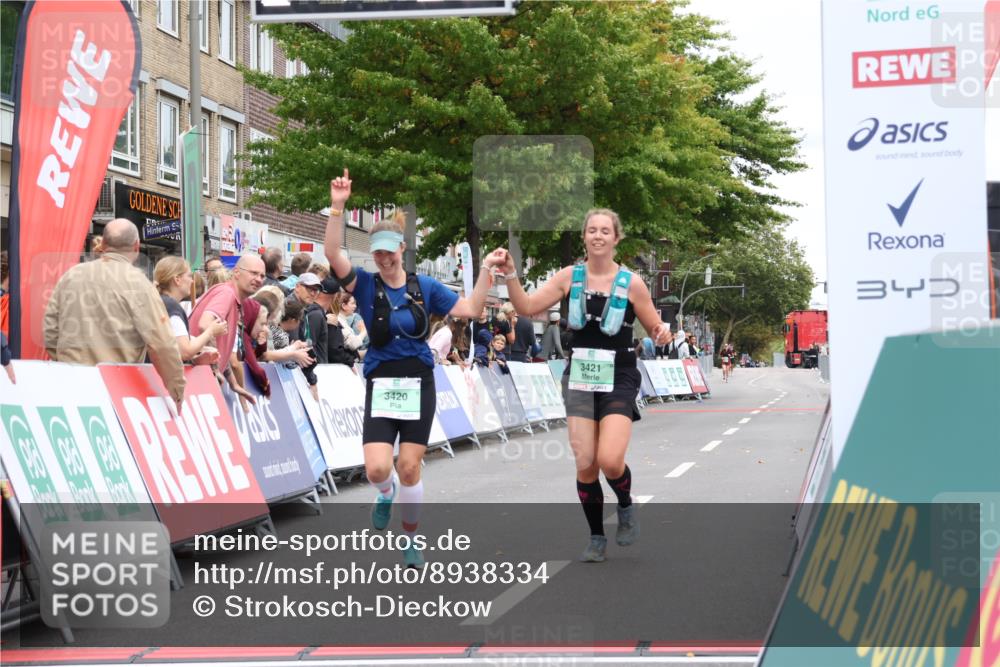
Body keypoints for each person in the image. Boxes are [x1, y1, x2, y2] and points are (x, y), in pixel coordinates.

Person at [324, 168, 507, 569]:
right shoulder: (366, 286)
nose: (384, 258)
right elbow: (333, 254)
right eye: (377, 253)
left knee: (409, 466)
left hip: (418, 383)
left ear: (401, 249)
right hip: (381, 382)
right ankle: (384, 493)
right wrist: (337, 207)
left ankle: (410, 539)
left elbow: (472, 310)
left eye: (390, 251)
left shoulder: (425, 288)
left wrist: (486, 273)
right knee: (377, 469)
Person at [501, 208, 670, 563]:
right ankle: (596, 537)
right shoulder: (568, 277)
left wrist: (662, 331)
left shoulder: (632, 283)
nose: (597, 236)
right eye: (591, 230)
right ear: (584, 237)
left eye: (604, 231)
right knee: (585, 461)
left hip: (619, 375)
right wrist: (511, 276)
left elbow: (655, 326)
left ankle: (625, 504)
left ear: (615, 238)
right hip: (579, 376)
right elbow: (528, 306)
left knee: (609, 459)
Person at [43, 219, 186, 412]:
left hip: (72, 386)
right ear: (136, 246)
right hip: (117, 390)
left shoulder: (71, 276)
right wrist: (176, 389)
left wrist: (67, 361)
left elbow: (51, 331)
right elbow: (162, 344)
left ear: (104, 244)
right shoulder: (140, 284)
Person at [189, 253, 264, 407]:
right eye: (254, 273)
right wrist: (215, 369)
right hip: (195, 379)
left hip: (200, 378)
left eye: (262, 276)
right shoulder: (227, 293)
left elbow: (222, 347)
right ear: (236, 272)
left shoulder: (232, 297)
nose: (259, 279)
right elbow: (205, 324)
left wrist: (233, 383)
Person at [153, 256, 226, 364]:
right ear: (177, 279)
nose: (192, 281)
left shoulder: (159, 302)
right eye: (189, 276)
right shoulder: (171, 307)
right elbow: (185, 351)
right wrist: (210, 331)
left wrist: (200, 353)